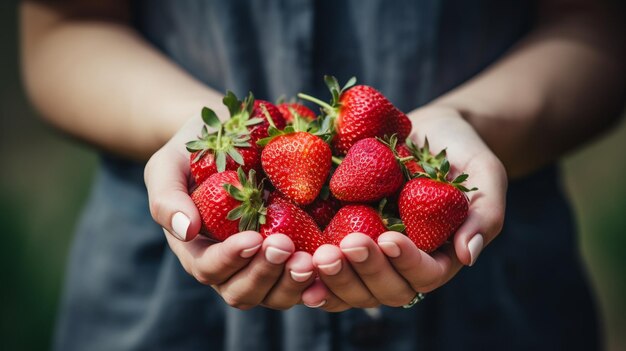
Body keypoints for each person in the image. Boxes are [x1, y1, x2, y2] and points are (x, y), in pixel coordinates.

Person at [21, 0, 624, 350]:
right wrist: (196, 126)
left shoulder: (380, 172)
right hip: (166, 297)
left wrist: (469, 120)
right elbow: (65, 32)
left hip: (494, 297)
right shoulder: (270, 163)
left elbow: (598, 31)